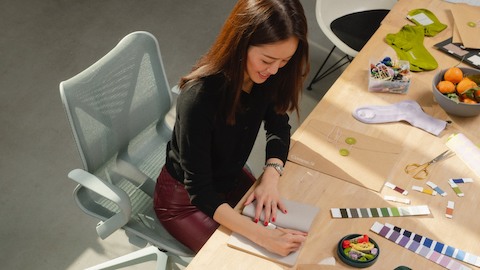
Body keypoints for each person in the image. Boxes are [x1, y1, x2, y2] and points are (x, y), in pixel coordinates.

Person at [154, 0, 310, 257]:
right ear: (242, 43)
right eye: (268, 60)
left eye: (285, 60)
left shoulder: (269, 74)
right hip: (186, 201)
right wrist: (264, 237)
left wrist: (271, 175)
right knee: (244, 259)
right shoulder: (199, 97)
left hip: (229, 180)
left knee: (296, 235)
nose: (274, 70)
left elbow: (278, 125)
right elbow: (200, 190)